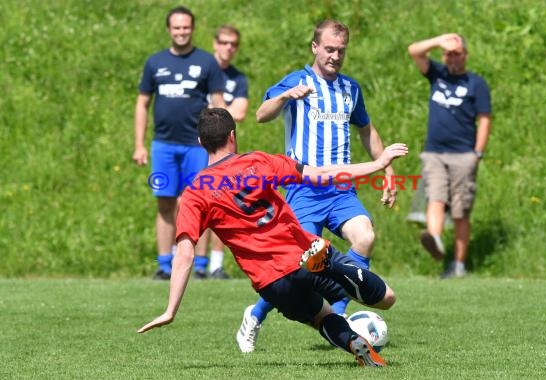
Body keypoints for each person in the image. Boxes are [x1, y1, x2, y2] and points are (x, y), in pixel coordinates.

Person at [137, 108, 409, 367]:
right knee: (387, 298)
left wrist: (171, 309)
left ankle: (356, 345)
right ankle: (333, 267)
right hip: (305, 253)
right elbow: (323, 175)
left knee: (321, 317)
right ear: (232, 135)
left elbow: (185, 253)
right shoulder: (258, 162)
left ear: (200, 142)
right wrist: (378, 163)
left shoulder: (196, 191)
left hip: (271, 281)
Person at [236, 19, 398, 353]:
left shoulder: (351, 89)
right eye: (329, 49)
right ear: (315, 47)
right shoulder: (298, 81)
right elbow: (261, 115)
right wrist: (285, 96)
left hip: (341, 190)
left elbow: (367, 130)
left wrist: (388, 171)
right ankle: (254, 316)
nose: (335, 56)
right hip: (303, 188)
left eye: (341, 50)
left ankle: (337, 318)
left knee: (364, 236)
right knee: (298, 267)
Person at [132, 6, 226, 280]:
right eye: (176, 27)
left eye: (186, 27)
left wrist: (223, 145)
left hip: (198, 147)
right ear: (169, 30)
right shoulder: (155, 62)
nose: (181, 31)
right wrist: (139, 144)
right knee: (164, 202)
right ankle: (164, 264)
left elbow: (219, 103)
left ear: (192, 29)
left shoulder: (207, 62)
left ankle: (198, 265)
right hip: (163, 146)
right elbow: (142, 104)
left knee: (200, 203)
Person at [407, 33, 491, 279]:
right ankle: (434, 239)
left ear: (465, 55)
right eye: (448, 54)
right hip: (434, 152)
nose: (452, 58)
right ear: (443, 56)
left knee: (460, 212)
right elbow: (414, 50)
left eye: (457, 53)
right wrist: (438, 41)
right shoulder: (437, 74)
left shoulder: (476, 83)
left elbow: (484, 119)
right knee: (435, 196)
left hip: (464, 154)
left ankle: (458, 265)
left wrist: (478, 152)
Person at [193, 24, 249, 280]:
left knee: (221, 201)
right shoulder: (200, 70)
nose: (228, 48)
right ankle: (198, 263)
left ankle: (216, 264)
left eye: (233, 44)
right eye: (224, 42)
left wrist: (214, 109)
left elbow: (239, 113)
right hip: (196, 145)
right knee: (194, 202)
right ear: (215, 42)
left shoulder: (237, 79)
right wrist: (222, 109)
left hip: (224, 149)